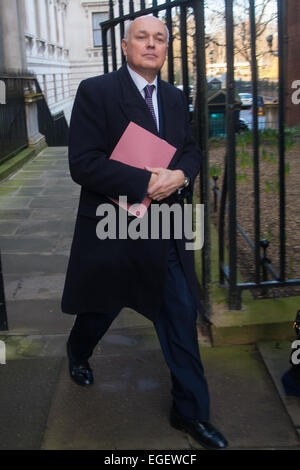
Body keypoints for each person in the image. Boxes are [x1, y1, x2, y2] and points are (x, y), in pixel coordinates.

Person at [61, 15, 228, 450]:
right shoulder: (95, 92)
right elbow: (83, 163)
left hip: (164, 227)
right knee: (98, 310)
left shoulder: (174, 97)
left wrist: (181, 176)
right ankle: (77, 352)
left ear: (166, 48)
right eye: (142, 37)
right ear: (124, 45)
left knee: (180, 314)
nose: (151, 44)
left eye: (159, 38)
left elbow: (189, 150)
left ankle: (191, 412)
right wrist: (145, 183)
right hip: (113, 226)